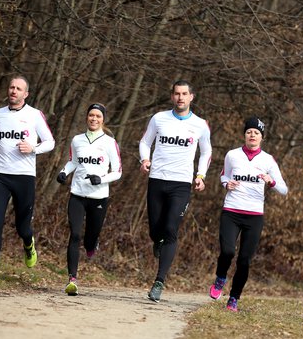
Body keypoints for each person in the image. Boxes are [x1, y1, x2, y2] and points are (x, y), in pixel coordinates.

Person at [139, 80, 212, 302]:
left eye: (184, 94)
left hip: (181, 184)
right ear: (172, 97)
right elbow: (145, 142)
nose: (180, 97)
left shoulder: (200, 125)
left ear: (192, 97)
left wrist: (200, 176)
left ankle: (159, 281)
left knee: (171, 229)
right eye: (177, 94)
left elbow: (206, 152)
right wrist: (145, 159)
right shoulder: (159, 118)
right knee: (155, 229)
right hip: (157, 179)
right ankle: (157, 240)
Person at [0, 74, 55, 283]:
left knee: (22, 227)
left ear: (26, 94)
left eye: (18, 89)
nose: (13, 91)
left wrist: (33, 148)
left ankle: (29, 244)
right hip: (1, 174)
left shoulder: (35, 115)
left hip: (24, 176)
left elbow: (50, 142)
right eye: (11, 87)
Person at [208, 117, 288, 312]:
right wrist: (227, 183)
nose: (252, 135)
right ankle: (220, 278)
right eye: (249, 132)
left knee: (245, 259)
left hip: (254, 216)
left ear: (262, 137)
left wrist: (271, 181)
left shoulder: (268, 160)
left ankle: (234, 298)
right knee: (227, 251)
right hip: (231, 211)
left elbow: (284, 189)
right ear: (244, 135)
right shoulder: (232, 155)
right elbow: (223, 175)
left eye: (256, 133)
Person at [56, 103, 122, 296]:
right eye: (91, 115)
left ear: (103, 120)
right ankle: (72, 279)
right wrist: (63, 172)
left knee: (90, 239)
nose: (94, 119)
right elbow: (73, 161)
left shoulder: (110, 142)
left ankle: (92, 244)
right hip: (77, 195)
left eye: (98, 116)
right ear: (87, 117)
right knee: (75, 235)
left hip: (99, 197)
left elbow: (117, 171)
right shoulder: (77, 140)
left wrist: (100, 179)